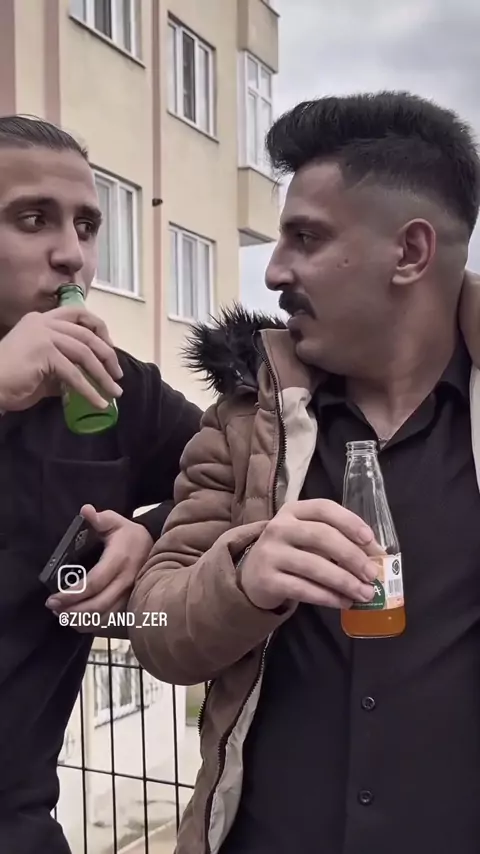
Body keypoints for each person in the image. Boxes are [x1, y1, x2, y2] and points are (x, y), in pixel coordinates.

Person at [129, 91, 480, 854]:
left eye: (306, 237)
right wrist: (242, 580)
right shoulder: (243, 423)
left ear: (411, 252)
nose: (275, 271)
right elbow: (153, 630)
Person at [0, 115, 201, 853]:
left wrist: (154, 533)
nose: (72, 254)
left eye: (87, 226)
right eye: (32, 220)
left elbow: (253, 473)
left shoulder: (116, 389)